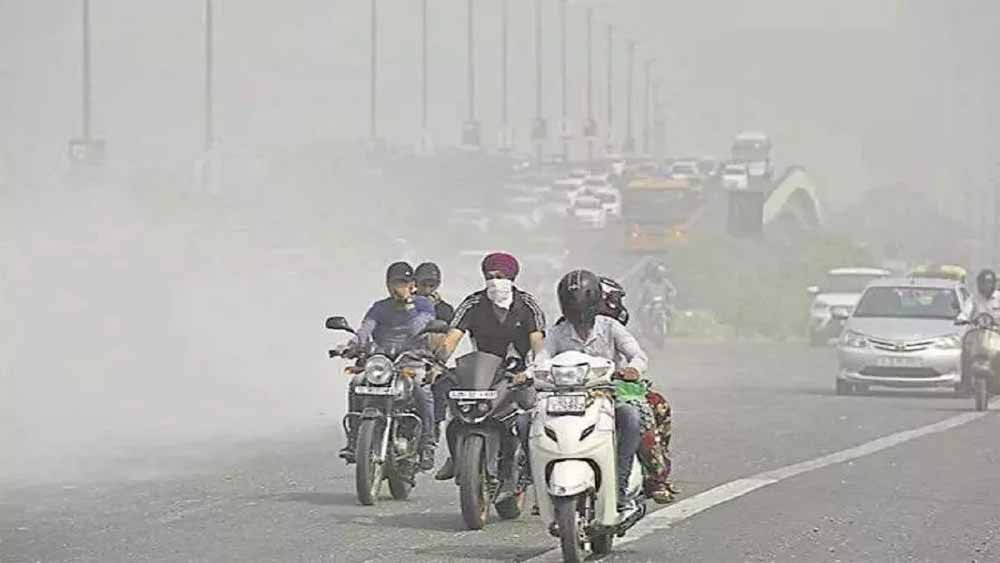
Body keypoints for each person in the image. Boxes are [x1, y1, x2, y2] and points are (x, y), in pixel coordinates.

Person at [537, 269, 650, 511]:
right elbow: (541, 358)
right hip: (563, 398)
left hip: (606, 394)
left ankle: (620, 484)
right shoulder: (557, 332)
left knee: (630, 417)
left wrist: (633, 369)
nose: (579, 312)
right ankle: (536, 484)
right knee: (526, 421)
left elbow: (637, 354)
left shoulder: (610, 327)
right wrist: (529, 374)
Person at [432, 252, 546, 487]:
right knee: (456, 409)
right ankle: (456, 456)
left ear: (512, 278)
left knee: (528, 414)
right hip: (481, 374)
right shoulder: (473, 304)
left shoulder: (527, 305)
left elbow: (538, 343)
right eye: (489, 276)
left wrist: (537, 367)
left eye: (500, 276)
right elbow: (452, 339)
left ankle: (527, 467)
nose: (495, 281)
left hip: (517, 375)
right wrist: (437, 363)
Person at [338, 261, 438, 471]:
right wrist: (351, 345)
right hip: (381, 362)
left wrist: (408, 304)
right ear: (387, 284)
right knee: (356, 383)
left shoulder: (424, 305)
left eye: (404, 282)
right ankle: (354, 440)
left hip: (412, 361)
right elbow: (365, 330)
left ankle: (427, 443)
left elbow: (417, 328)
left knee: (422, 391)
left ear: (412, 284)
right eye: (395, 282)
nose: (398, 287)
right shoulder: (379, 307)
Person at [415, 261, 456, 443]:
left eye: (431, 285)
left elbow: (448, 339)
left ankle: (431, 431)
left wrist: (437, 364)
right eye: (423, 284)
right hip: (399, 357)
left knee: (442, 385)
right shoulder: (402, 304)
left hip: (430, 360)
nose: (427, 289)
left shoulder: (444, 310)